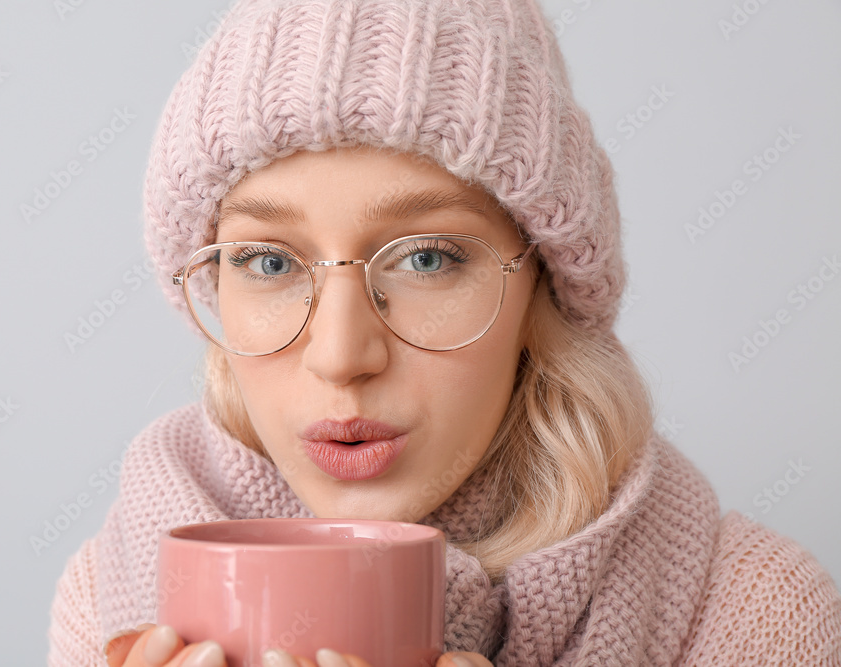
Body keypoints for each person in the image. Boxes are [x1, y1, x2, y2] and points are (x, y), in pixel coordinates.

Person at [47, 1, 841, 665]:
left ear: (545, 285)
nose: (341, 355)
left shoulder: (751, 617)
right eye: (266, 260)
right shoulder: (111, 602)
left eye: (427, 257)